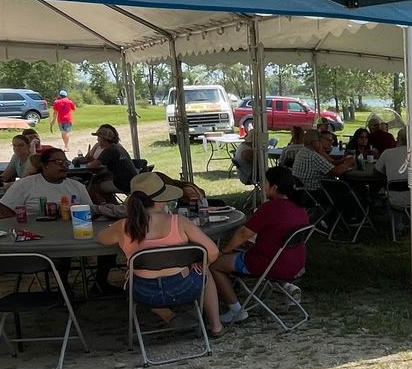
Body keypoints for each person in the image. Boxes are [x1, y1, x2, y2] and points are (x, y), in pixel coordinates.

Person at [99, 172, 222, 334]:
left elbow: (101, 238)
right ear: (160, 201)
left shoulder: (123, 226)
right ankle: (216, 326)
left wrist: (118, 228)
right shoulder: (179, 222)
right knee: (206, 272)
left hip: (143, 292)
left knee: (136, 277)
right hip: (184, 288)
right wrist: (201, 265)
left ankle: (168, 315)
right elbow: (213, 251)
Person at [211, 165, 310, 320]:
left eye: (266, 183)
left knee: (215, 265)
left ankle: (235, 310)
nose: (264, 186)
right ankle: (285, 287)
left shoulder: (270, 208)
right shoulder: (299, 207)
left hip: (269, 264)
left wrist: (225, 250)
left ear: (274, 187)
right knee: (240, 254)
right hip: (296, 263)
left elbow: (243, 234)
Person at [0, 147, 94, 218]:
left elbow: (90, 212)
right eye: (59, 162)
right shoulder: (25, 184)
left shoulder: (77, 187)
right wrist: (21, 226)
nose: (64, 166)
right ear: (44, 165)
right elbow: (1, 210)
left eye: (66, 163)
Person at [292, 127, 355, 191]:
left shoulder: (303, 151)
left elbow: (330, 164)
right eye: (319, 141)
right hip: (316, 191)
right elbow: (335, 172)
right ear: (312, 142)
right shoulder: (313, 156)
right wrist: (348, 163)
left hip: (303, 191)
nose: (321, 143)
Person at [83, 123, 136, 191]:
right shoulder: (118, 148)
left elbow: (92, 166)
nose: (97, 140)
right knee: (99, 184)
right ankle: (109, 198)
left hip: (122, 184)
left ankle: (103, 199)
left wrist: (87, 164)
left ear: (103, 138)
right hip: (131, 181)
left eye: (98, 137)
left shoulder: (109, 150)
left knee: (92, 187)